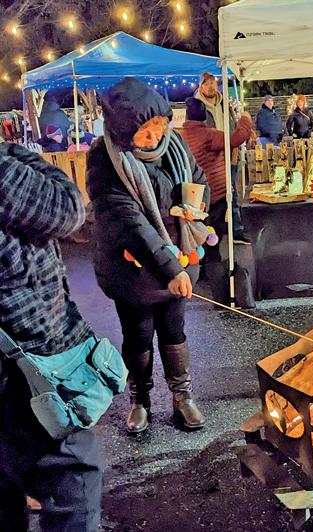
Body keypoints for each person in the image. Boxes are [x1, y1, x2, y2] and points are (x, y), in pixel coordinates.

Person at [87, 78, 209, 434]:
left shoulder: (175, 145)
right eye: (145, 130)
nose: (155, 136)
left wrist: (195, 205)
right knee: (138, 332)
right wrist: (169, 267)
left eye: (159, 125)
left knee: (174, 328)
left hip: (177, 257)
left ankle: (182, 395)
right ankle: (140, 399)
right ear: (125, 130)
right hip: (132, 265)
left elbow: (198, 179)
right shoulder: (104, 157)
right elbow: (126, 219)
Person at [0, 142, 102, 531]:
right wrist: (14, 154)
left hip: (21, 357)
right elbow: (67, 207)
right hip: (25, 363)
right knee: (72, 476)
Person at [181, 98, 254, 262]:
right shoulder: (208, 135)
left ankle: (206, 262)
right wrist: (245, 119)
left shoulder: (182, 136)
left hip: (194, 194)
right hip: (215, 192)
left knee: (201, 233)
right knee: (214, 232)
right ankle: (213, 265)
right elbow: (237, 138)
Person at [196, 72, 250, 244]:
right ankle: (212, 234)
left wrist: (234, 153)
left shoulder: (224, 104)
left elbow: (234, 128)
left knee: (232, 193)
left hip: (229, 155)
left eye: (213, 82)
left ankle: (236, 230)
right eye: (206, 83)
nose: (210, 86)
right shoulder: (198, 107)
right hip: (210, 161)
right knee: (213, 198)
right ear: (201, 87)